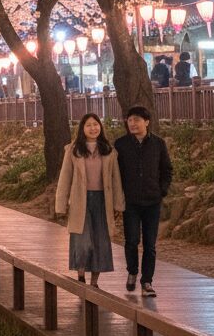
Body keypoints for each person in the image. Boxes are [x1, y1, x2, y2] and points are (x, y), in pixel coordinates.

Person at [55, 114, 124, 287]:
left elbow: (116, 179)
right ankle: (80, 275)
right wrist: (60, 205)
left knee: (100, 241)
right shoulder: (73, 150)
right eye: (88, 125)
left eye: (96, 124)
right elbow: (65, 178)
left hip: (102, 201)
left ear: (100, 127)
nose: (93, 128)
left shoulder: (109, 150)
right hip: (81, 200)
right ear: (82, 129)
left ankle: (94, 282)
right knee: (82, 240)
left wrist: (118, 204)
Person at [114, 106, 172, 297]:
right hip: (130, 201)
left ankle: (147, 281)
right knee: (131, 240)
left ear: (146, 122)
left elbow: (166, 169)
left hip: (152, 201)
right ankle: (132, 271)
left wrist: (162, 190)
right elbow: (116, 173)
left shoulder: (158, 144)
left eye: (137, 120)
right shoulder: (121, 145)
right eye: (130, 120)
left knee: (150, 244)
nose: (132, 124)